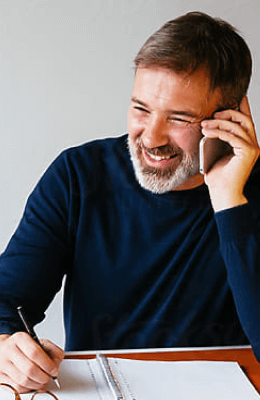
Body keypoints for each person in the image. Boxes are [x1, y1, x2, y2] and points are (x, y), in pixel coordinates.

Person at [0, 11, 260, 393]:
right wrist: (7, 346)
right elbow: (7, 298)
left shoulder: (247, 192)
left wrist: (228, 202)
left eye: (179, 118)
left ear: (229, 118)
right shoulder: (78, 175)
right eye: (141, 109)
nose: (150, 137)